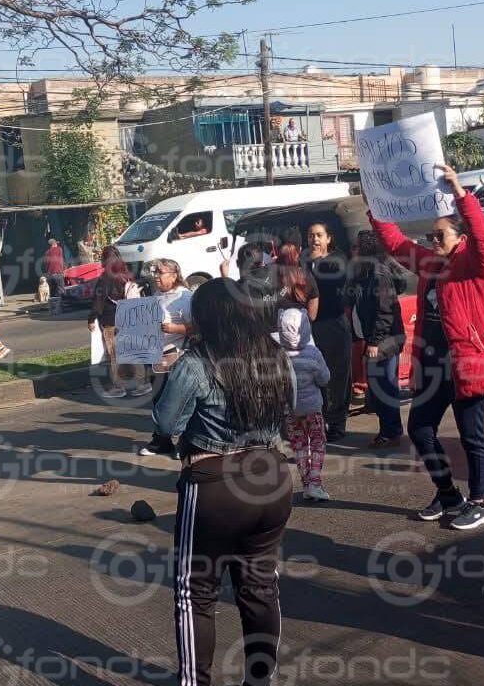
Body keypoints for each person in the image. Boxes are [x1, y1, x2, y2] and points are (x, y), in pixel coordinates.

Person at [151, 277, 294, 686]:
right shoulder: (274, 354)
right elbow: (292, 402)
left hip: (215, 482)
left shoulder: (195, 362)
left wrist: (164, 378)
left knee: (195, 592)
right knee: (260, 585)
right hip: (272, 477)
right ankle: (261, 678)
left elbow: (166, 423)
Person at [370, 165, 484, 531]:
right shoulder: (431, 264)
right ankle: (449, 494)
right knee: (419, 428)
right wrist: (377, 207)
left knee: (472, 436)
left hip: (470, 365)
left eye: (439, 235)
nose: (432, 241)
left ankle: (479, 502)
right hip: (433, 367)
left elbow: (483, 240)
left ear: (458, 237)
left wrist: (463, 198)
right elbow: (397, 244)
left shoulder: (476, 266)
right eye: (430, 236)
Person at [349, 230, 407, 449]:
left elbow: (384, 312)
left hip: (385, 340)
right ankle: (388, 429)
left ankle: (391, 432)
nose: (353, 250)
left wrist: (374, 342)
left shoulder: (378, 274)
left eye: (356, 247)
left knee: (385, 386)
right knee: (379, 385)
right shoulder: (365, 271)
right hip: (380, 339)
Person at [138, 259, 194, 457]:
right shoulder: (156, 296)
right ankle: (161, 441)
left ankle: (186, 441)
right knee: (159, 400)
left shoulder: (186, 298)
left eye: (160, 272)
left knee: (180, 402)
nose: (156, 276)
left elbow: (197, 328)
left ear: (174, 275)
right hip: (154, 356)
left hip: (176, 357)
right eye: (154, 272)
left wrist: (175, 329)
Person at [304, 222, 352, 442]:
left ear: (328, 238)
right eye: (311, 235)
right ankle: (320, 420)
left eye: (319, 235)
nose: (314, 239)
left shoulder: (338, 260)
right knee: (317, 376)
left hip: (333, 324)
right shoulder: (305, 262)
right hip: (312, 326)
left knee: (337, 375)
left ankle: (337, 423)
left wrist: (314, 264)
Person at [280, 307, 332, 502]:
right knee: (317, 444)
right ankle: (315, 483)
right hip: (313, 408)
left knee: (299, 446)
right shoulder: (313, 353)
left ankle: (306, 484)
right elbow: (324, 379)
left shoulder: (279, 356)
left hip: (291, 409)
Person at [88, 246, 152, 398]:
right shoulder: (126, 274)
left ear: (104, 260)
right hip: (129, 319)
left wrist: (91, 319)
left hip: (112, 321)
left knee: (114, 355)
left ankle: (118, 387)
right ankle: (142, 383)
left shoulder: (105, 278)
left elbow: (98, 301)